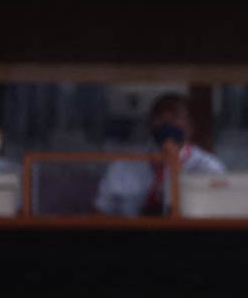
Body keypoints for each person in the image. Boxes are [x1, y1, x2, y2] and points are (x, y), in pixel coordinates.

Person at [94, 93, 225, 217]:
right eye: (160, 118)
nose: (166, 124)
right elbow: (101, 210)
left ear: (190, 126)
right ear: (150, 124)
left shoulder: (208, 167)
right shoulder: (126, 162)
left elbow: (216, 213)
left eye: (175, 117)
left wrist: (175, 165)